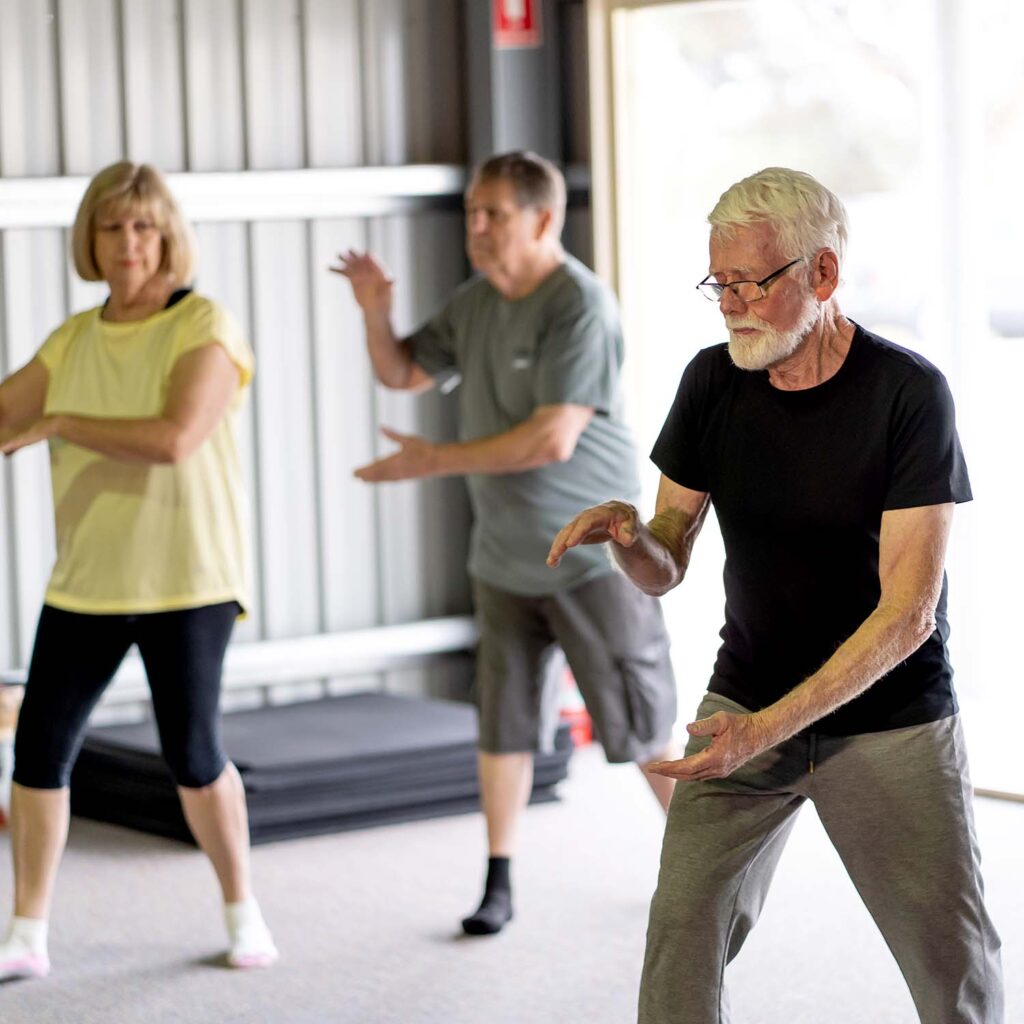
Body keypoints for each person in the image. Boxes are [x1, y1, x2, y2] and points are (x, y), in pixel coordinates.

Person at [548, 167, 1003, 1023]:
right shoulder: (713, 383)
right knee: (682, 924)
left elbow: (907, 617)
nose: (730, 305)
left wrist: (765, 731)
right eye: (718, 285)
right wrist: (630, 538)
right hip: (746, 697)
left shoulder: (907, 395)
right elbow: (666, 563)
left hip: (888, 717)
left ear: (821, 275)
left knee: (952, 963)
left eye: (750, 283)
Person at [333, 150, 677, 936]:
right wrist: (374, 310)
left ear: (544, 219)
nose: (477, 228)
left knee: (639, 728)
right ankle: (498, 881)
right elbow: (404, 375)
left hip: (592, 557)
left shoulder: (579, 306)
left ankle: (705, 868)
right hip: (506, 560)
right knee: (505, 726)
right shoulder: (476, 301)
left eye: (495, 214)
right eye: (471, 213)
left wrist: (433, 462)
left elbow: (551, 439)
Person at [0, 162, 278, 979]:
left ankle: (242, 911)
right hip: (86, 581)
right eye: (113, 227)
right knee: (39, 754)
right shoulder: (73, 341)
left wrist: (57, 420)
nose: (129, 243)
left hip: (187, 580)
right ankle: (27, 932)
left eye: (145, 227)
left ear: (168, 237)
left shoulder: (205, 327)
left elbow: (173, 438)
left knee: (192, 752)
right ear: (90, 239)